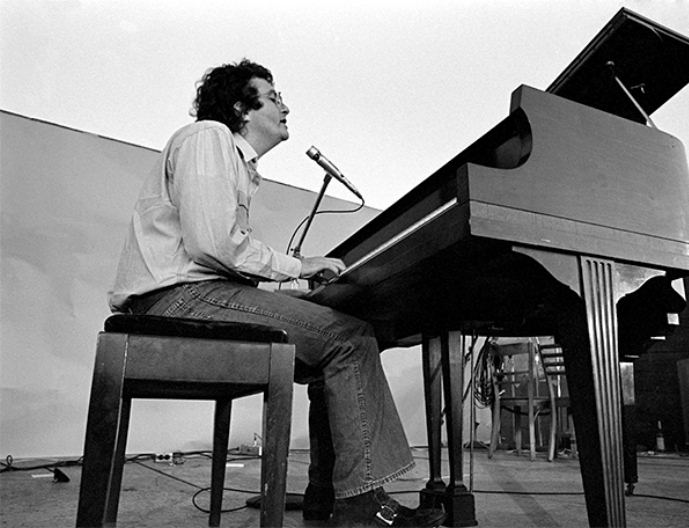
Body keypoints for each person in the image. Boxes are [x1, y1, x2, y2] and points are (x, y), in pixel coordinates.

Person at [108, 59, 446, 527]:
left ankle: (325, 495)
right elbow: (214, 245)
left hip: (194, 292)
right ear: (240, 108)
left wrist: (295, 288)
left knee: (338, 341)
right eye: (274, 96)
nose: (285, 106)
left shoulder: (231, 158)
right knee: (348, 338)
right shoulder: (209, 136)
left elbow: (221, 257)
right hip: (177, 298)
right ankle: (360, 506)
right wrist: (299, 267)